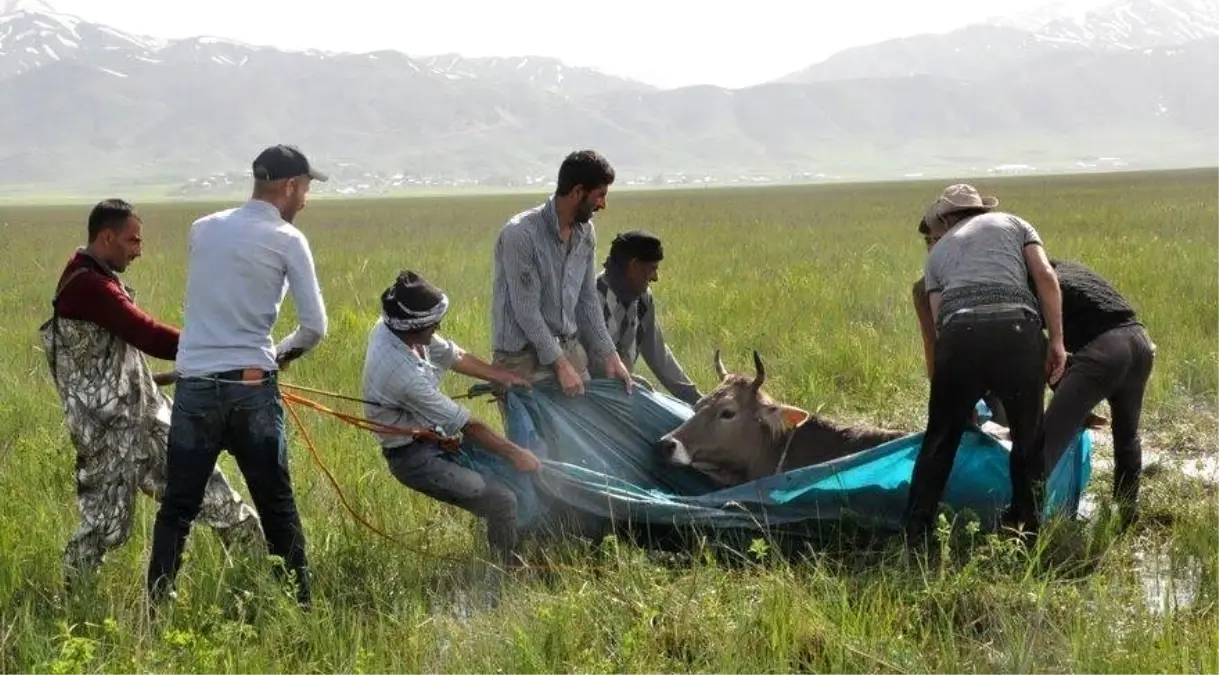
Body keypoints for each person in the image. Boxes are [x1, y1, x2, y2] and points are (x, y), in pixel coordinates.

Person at [38, 198, 261, 585]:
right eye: (132, 240)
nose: (139, 250)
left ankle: (261, 580)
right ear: (107, 237)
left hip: (147, 418)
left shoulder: (94, 277)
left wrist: (178, 371)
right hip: (109, 433)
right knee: (105, 526)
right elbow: (147, 333)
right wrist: (223, 347)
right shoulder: (89, 285)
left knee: (217, 495)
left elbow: (115, 356)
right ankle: (73, 598)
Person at [146, 144, 329, 608]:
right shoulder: (288, 239)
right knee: (278, 510)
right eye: (305, 188)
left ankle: (156, 610)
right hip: (251, 388)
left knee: (177, 511)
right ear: (289, 186)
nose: (306, 199)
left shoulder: (201, 229)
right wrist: (280, 355)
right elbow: (314, 328)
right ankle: (301, 608)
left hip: (195, 389)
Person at [913, 227, 1154, 530]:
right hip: (1139, 342)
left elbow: (1044, 356)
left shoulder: (1025, 283)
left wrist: (1065, 401)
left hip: (1105, 353)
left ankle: (1020, 524)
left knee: (1043, 447)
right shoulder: (1061, 268)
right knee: (1127, 436)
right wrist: (1074, 399)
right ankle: (1129, 514)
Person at [904, 183, 1067, 544]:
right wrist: (1056, 341)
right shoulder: (1016, 224)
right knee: (1029, 438)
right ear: (982, 210)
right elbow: (1046, 278)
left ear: (945, 219)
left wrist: (957, 390)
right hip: (1018, 329)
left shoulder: (937, 254)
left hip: (959, 334)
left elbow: (939, 325)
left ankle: (916, 535)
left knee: (940, 440)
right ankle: (1029, 531)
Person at [362, 270, 542, 565]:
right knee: (503, 500)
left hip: (435, 438)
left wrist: (503, 376)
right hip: (415, 458)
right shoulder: (400, 372)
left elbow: (452, 355)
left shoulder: (396, 328)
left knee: (505, 480)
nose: (439, 328)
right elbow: (466, 424)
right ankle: (504, 569)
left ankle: (514, 545)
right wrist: (516, 453)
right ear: (414, 326)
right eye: (433, 325)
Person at [490, 149, 633, 398]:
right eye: (599, 195)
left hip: (569, 348)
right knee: (532, 438)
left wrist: (611, 356)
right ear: (577, 192)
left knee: (586, 429)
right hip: (522, 360)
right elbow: (526, 311)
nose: (603, 204)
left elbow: (587, 300)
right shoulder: (521, 235)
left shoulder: (585, 234)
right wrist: (560, 365)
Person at [593, 230, 702, 406]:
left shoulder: (643, 299)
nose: (655, 277)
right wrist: (630, 381)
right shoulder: (591, 298)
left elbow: (658, 353)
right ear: (634, 266)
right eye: (652, 269)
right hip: (590, 399)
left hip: (624, 394)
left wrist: (695, 398)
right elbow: (583, 362)